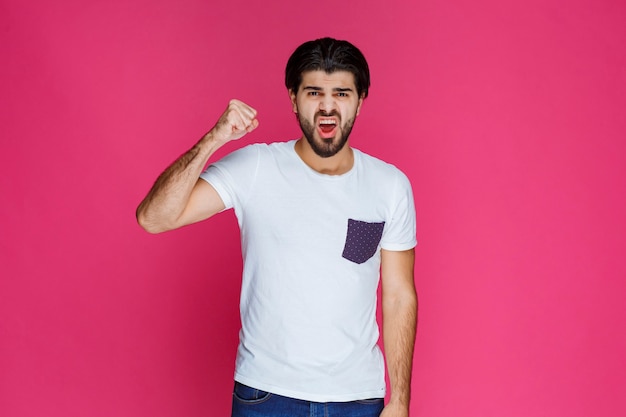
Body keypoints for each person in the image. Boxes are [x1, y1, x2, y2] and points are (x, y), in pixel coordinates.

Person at [136, 37, 417, 417]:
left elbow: (399, 295)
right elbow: (154, 218)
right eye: (314, 92)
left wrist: (399, 399)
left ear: (360, 99)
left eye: (342, 93)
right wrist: (214, 139)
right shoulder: (256, 168)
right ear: (293, 98)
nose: (328, 106)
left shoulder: (389, 185)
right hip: (266, 395)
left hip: (358, 397)